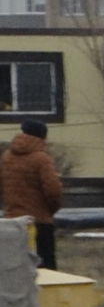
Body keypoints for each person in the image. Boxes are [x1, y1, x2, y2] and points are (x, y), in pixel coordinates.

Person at [1, 116, 61, 273]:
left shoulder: (6, 157)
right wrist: (51, 210)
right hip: (39, 222)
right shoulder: (41, 159)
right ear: (42, 137)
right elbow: (54, 191)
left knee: (17, 270)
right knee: (45, 269)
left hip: (12, 222)